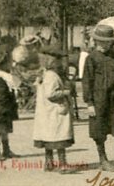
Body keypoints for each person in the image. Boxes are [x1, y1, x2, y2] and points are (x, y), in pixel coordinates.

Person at [82, 24, 114, 172]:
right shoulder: (91, 58)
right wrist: (90, 103)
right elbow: (87, 81)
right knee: (100, 129)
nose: (105, 45)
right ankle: (103, 160)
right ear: (96, 41)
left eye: (108, 42)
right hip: (100, 99)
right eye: (102, 42)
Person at [33, 45, 75, 173]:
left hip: (46, 112)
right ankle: (62, 164)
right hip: (55, 111)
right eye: (58, 60)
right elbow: (51, 94)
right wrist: (66, 92)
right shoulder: (52, 76)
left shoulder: (44, 74)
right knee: (59, 138)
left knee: (49, 138)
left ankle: (49, 163)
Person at [0, 47, 20, 161]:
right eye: (9, 63)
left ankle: (6, 150)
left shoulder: (5, 76)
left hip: (5, 107)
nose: (11, 65)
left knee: (5, 130)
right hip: (0, 108)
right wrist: (5, 104)